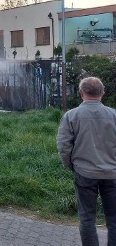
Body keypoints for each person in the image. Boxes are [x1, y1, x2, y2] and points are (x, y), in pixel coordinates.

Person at [57, 76, 116, 245]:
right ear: (102, 93)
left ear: (81, 92)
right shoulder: (114, 115)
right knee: (114, 220)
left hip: (84, 173)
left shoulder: (71, 116)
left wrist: (70, 164)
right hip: (112, 174)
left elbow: (63, 145)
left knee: (87, 219)